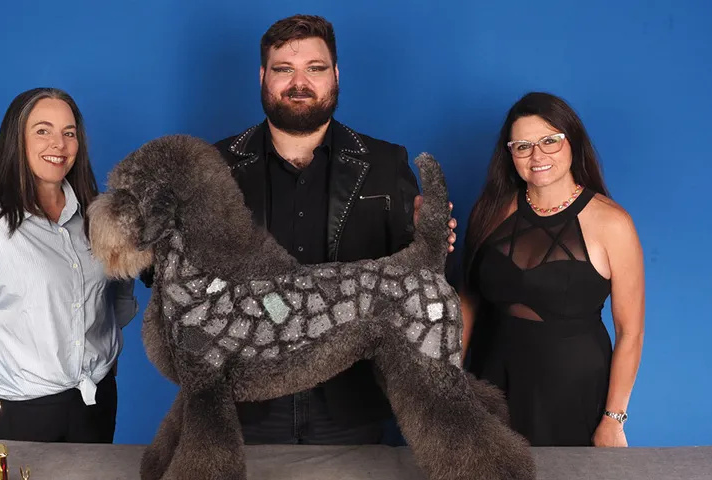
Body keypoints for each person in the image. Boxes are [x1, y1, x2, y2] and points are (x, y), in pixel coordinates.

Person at [211, 14, 456, 445]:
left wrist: (428, 238)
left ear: (336, 75)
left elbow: (411, 274)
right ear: (263, 76)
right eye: (284, 69)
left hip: (351, 393)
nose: (299, 82)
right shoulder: (213, 167)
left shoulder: (385, 163)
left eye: (315, 68)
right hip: (247, 392)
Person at [0, 88, 139, 463]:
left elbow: (117, 296)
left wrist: (104, 351)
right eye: (42, 130)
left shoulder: (97, 215)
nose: (58, 144)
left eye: (69, 132)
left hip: (95, 400)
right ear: (17, 140)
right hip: (19, 412)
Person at [461, 91, 644, 447]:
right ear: (509, 154)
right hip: (492, 380)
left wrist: (613, 419)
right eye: (523, 146)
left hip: (572, 389)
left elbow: (630, 333)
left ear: (572, 141)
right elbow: (468, 297)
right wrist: (448, 378)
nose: (537, 155)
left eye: (549, 141)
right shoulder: (490, 210)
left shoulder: (613, 223)